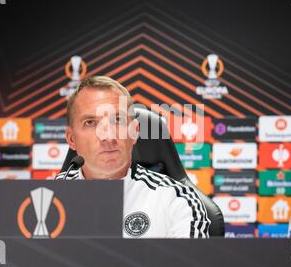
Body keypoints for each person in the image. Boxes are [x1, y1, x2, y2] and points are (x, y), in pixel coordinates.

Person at [55, 76, 210, 238]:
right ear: (71, 139)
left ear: (135, 131)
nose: (107, 135)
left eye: (118, 120)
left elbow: (189, 262)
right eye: (90, 122)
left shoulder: (176, 199)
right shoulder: (50, 196)